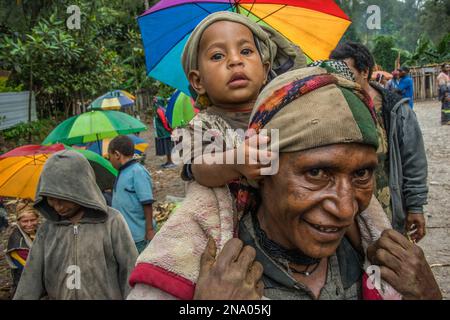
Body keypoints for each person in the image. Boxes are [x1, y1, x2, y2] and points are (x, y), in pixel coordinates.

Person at [127, 66, 441, 300]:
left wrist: (428, 295)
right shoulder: (213, 274)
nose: (346, 209)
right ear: (260, 172)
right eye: (317, 174)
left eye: (361, 174)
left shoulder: (376, 263)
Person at [175, 11, 306, 188]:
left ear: (265, 70)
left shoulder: (288, 111)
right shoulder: (201, 126)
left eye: (245, 51)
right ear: (198, 81)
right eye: (218, 56)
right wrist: (232, 163)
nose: (235, 60)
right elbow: (198, 169)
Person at [330, 42, 428, 242]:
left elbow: (413, 161)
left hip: (387, 209)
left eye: (346, 72)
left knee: (388, 258)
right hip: (346, 209)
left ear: (365, 72)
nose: (339, 79)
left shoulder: (396, 111)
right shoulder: (333, 106)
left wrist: (415, 207)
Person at [13, 150, 137, 299]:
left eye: (63, 200)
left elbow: (130, 270)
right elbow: (30, 279)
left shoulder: (112, 222)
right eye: (51, 200)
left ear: (82, 191)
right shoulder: (47, 230)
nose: (58, 207)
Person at [108, 135, 156, 253]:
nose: (110, 161)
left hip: (140, 234)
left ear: (117, 155)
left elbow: (147, 202)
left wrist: (149, 229)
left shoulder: (137, 171)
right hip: (127, 233)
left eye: (109, 157)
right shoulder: (122, 172)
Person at [5, 203, 39, 296]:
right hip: (25, 282)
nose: (29, 224)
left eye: (33, 220)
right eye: (25, 221)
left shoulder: (39, 231)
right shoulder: (18, 242)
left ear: (37, 219)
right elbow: (33, 266)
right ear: (18, 222)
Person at [153, 97, 176, 169]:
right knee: (167, 147)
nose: (154, 103)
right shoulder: (162, 109)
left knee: (168, 147)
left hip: (165, 132)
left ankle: (171, 162)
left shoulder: (160, 110)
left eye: (155, 102)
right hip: (163, 132)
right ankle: (168, 161)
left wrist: (168, 129)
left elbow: (164, 121)